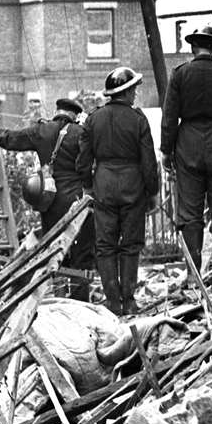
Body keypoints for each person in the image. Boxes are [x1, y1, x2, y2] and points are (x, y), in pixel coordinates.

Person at [0, 97, 94, 299]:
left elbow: (10, 137)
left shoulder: (42, 131)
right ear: (74, 115)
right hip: (76, 199)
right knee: (81, 252)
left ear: (57, 110)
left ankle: (56, 298)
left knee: (54, 250)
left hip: (50, 200)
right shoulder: (81, 133)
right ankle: (80, 301)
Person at [159, 25, 212, 288]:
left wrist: (166, 151)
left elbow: (169, 117)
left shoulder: (180, 75)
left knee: (189, 213)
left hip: (189, 143)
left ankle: (192, 276)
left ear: (193, 47)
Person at [77, 67, 159, 315]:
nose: (135, 93)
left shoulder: (93, 119)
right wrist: (152, 191)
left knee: (105, 245)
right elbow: (148, 160)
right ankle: (129, 300)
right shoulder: (138, 119)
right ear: (125, 91)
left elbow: (83, 160)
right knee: (131, 244)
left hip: (104, 186)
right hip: (133, 187)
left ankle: (112, 302)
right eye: (133, 89)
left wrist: (89, 185)